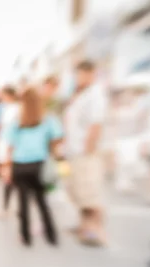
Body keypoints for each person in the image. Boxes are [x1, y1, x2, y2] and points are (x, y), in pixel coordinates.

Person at [4, 88, 61, 246]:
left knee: (23, 203)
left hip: (20, 165)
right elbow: (57, 139)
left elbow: (10, 146)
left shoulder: (18, 121)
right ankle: (51, 235)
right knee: (42, 201)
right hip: (38, 164)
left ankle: (25, 236)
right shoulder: (47, 119)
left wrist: (7, 167)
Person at [64, 60, 109, 247]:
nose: (77, 78)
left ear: (91, 74)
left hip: (85, 153)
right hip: (75, 150)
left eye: (80, 74)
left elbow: (95, 125)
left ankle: (96, 231)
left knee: (90, 193)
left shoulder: (96, 95)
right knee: (79, 192)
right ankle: (84, 226)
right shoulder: (81, 95)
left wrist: (87, 149)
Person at [0, 86, 19, 217]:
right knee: (9, 179)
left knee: (10, 178)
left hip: (10, 149)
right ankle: (8, 207)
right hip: (6, 148)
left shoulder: (15, 109)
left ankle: (7, 208)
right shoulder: (7, 109)